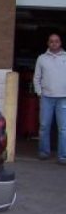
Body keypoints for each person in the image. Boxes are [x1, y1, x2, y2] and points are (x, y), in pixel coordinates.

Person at [33, 33, 66, 163]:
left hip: (64, 98)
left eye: (56, 41)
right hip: (46, 97)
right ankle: (43, 152)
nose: (54, 43)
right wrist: (39, 92)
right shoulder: (42, 58)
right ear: (48, 43)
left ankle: (63, 156)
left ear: (60, 43)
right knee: (44, 126)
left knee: (63, 128)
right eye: (51, 41)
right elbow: (37, 78)